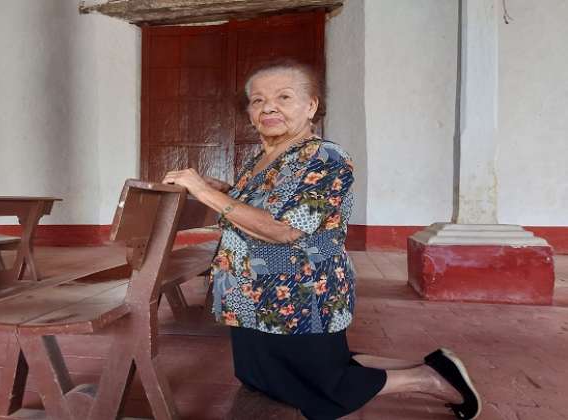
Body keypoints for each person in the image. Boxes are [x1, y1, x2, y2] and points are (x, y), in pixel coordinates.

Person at [162, 59, 480, 420]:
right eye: (257, 100)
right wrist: (228, 190)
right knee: (261, 375)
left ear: (311, 105)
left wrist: (204, 192)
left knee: (321, 388)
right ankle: (436, 366)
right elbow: (261, 204)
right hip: (249, 291)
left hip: (299, 290)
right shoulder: (261, 160)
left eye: (284, 97)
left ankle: (429, 378)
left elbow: (284, 229)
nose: (268, 107)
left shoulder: (325, 157)